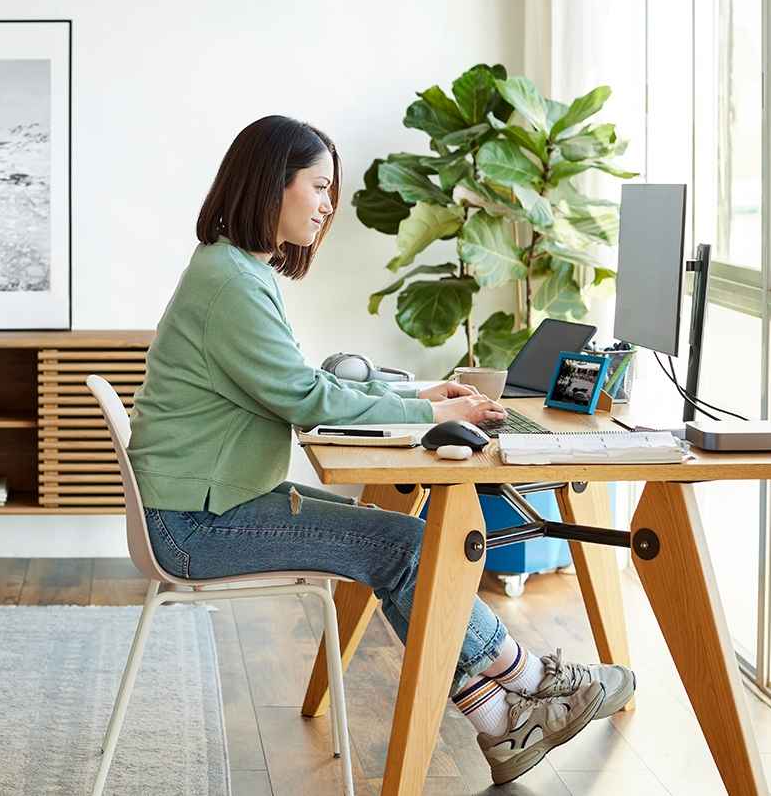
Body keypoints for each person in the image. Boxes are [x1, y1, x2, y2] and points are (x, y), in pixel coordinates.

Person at [126, 116, 634, 786]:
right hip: (193, 525)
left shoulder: (233, 270)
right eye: (319, 186)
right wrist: (432, 412)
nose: (328, 204)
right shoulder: (229, 280)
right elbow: (308, 397)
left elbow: (301, 383)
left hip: (208, 503)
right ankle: (532, 675)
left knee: (403, 549)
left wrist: (421, 393)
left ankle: (501, 725)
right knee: (406, 547)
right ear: (272, 184)